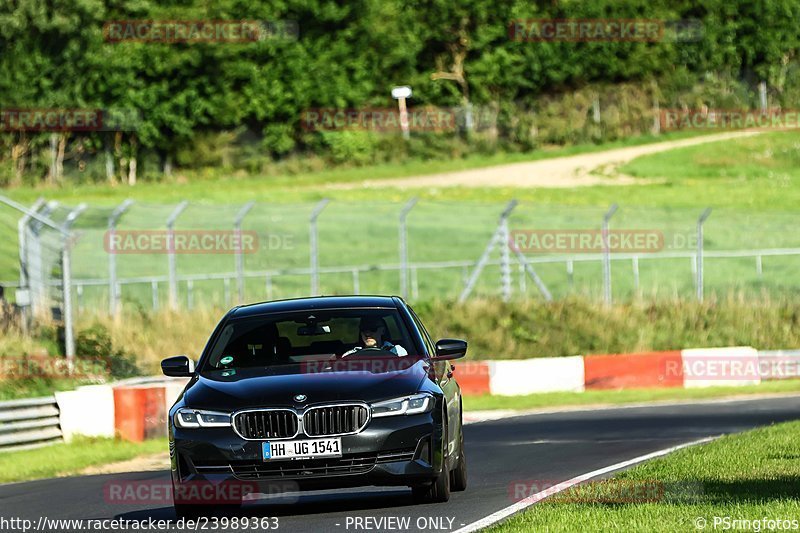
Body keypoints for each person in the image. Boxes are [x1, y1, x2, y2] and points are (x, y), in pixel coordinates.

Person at [341, 316, 407, 357]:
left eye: (373, 329)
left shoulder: (398, 352)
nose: (367, 333)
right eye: (363, 329)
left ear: (383, 331)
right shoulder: (349, 356)